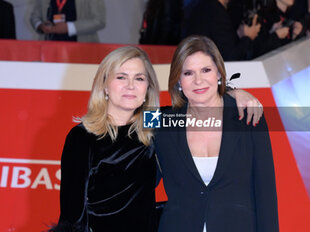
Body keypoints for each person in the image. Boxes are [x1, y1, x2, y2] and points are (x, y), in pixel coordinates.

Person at [50, 45, 264, 231]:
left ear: (148, 88)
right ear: (104, 85)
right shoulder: (83, 137)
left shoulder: (153, 123)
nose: (130, 86)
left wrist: (234, 94)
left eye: (139, 78)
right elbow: (72, 217)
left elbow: (202, 109)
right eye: (121, 77)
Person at [154, 35, 279, 231]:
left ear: (219, 74)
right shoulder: (163, 121)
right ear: (178, 80)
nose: (198, 80)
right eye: (188, 73)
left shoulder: (247, 116)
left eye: (206, 70)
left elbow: (266, 195)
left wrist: (234, 92)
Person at [182, 0, 261, 61]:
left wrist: (238, 36)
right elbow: (230, 57)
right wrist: (248, 37)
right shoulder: (217, 13)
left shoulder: (201, 7)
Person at [30, 0, 105, 42]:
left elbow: (99, 21)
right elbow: (34, 16)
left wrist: (69, 27)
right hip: (49, 50)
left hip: (81, 50)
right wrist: (40, 25)